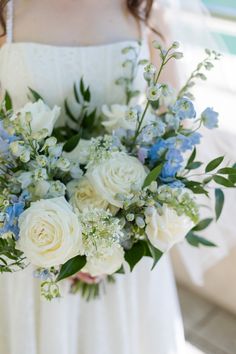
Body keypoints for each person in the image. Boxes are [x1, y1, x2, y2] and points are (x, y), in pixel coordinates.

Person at [0, 1, 186, 353]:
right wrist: (57, 242)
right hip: (31, 243)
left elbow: (174, 127)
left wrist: (112, 244)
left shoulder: (147, 10)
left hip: (123, 252)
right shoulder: (6, 11)